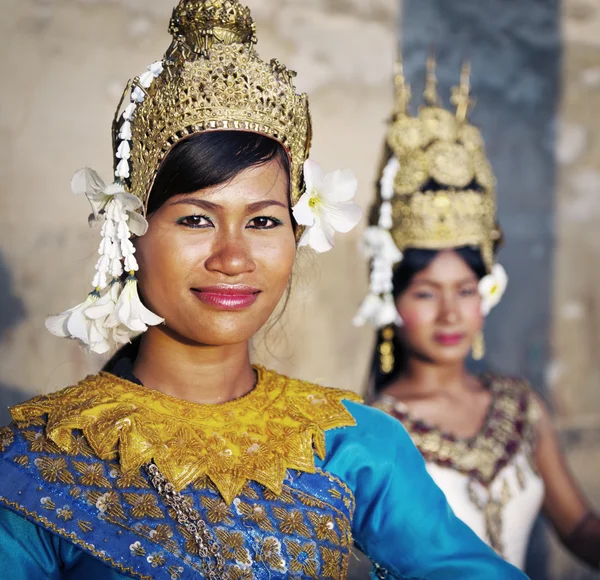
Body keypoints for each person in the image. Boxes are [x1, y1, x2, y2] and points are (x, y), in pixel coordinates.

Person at [0, 2, 528, 578]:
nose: (232, 257)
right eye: (196, 219)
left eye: (263, 221)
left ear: (298, 234)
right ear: (130, 230)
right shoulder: (37, 461)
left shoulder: (352, 448)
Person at [353, 57, 600, 571]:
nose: (450, 314)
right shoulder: (372, 429)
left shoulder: (521, 407)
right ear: (390, 299)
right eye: (426, 294)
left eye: (465, 291)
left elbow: (579, 528)